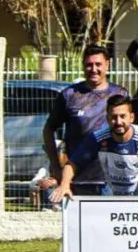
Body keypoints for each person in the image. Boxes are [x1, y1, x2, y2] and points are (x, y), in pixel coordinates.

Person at [42, 45, 129, 197]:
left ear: (107, 65)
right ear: (83, 66)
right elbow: (49, 129)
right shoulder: (69, 95)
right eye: (89, 65)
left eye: (98, 64)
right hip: (78, 179)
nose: (93, 69)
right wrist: (56, 167)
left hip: (114, 179)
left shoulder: (120, 93)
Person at [49, 95, 138, 200]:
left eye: (123, 116)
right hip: (111, 200)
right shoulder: (98, 138)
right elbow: (72, 164)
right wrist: (64, 185)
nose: (118, 121)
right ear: (107, 119)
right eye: (113, 117)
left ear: (131, 117)